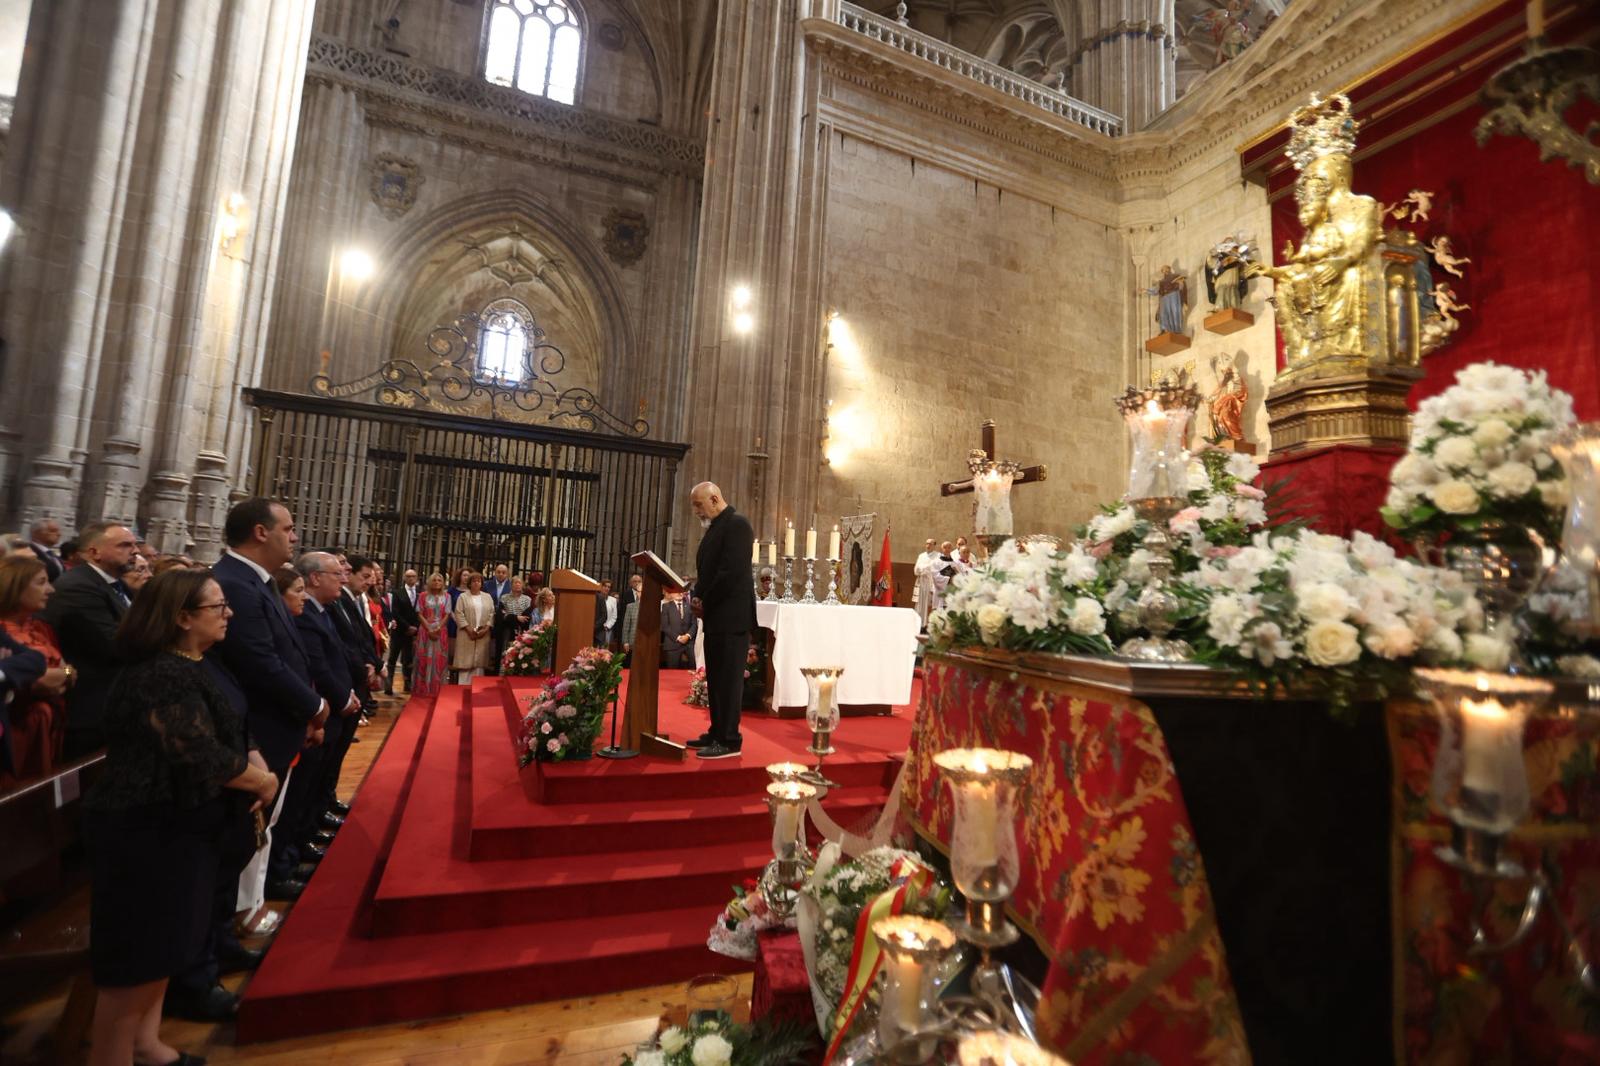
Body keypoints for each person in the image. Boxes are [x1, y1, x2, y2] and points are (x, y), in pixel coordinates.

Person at [84, 568, 278, 1066]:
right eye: (218, 607)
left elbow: (226, 731)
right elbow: (193, 751)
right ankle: (111, 1055)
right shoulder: (160, 673)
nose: (228, 613)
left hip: (182, 827)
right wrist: (260, 781)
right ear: (182, 617)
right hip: (150, 831)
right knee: (137, 956)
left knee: (165, 946)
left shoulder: (192, 663)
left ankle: (146, 1044)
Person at [210, 500, 328, 913]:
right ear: (261, 532)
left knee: (263, 826)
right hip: (258, 725)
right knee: (245, 833)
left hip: (278, 722)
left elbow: (287, 653)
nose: (294, 537)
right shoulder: (236, 583)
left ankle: (249, 906)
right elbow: (260, 661)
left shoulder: (258, 581)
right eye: (288, 528)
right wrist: (314, 705)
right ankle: (236, 916)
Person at [41, 521, 138, 758]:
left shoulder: (114, 584)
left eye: (134, 545)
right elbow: (114, 645)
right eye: (125, 545)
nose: (134, 551)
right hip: (89, 708)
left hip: (113, 702)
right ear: (95, 552)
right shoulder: (79, 586)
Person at [686, 482, 756, 760]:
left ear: (714, 499)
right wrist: (697, 596)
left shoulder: (737, 525)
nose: (696, 511)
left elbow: (730, 573)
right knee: (715, 678)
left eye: (698, 505)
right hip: (717, 616)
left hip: (732, 617)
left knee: (728, 681)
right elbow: (708, 571)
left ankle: (729, 740)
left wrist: (705, 600)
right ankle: (716, 732)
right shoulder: (716, 527)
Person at [0, 557, 72, 781]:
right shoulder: (4, 631)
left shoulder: (40, 628)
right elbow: (41, 682)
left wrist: (64, 673)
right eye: (41, 582)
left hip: (49, 728)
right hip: (17, 732)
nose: (50, 590)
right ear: (14, 586)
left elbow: (66, 672)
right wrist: (60, 674)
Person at [412, 573, 451, 697]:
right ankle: (422, 688)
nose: (437, 582)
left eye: (439, 580)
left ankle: (437, 689)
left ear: (443, 582)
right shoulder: (423, 596)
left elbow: (447, 614)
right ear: (429, 582)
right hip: (425, 630)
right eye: (434, 580)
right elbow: (419, 613)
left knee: (438, 659)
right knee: (423, 658)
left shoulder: (447, 596)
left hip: (441, 631)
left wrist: (438, 627)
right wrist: (429, 628)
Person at [452, 571, 495, 681]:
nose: (476, 583)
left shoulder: (487, 597)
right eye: (474, 581)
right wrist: (468, 629)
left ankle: (477, 687)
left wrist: (486, 629)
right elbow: (458, 613)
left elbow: (492, 613)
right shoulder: (463, 597)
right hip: (466, 633)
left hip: (483, 634)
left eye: (478, 581)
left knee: (479, 665)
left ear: (481, 583)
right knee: (465, 663)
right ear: (469, 583)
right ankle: (463, 686)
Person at [386, 567, 420, 694]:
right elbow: (395, 612)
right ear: (404, 578)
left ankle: (408, 683)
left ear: (416, 578)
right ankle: (388, 684)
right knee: (392, 658)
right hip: (400, 631)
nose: (411, 578)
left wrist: (415, 627)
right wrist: (407, 626)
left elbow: (420, 612)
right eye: (408, 576)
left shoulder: (420, 594)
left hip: (413, 632)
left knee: (408, 659)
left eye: (413, 576)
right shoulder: (397, 593)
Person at [659, 586, 696, 669]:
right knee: (672, 671)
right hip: (672, 643)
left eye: (681, 591)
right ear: (671, 594)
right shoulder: (666, 606)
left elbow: (694, 624)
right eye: (676, 591)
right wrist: (678, 638)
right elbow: (665, 626)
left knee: (694, 668)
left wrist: (687, 636)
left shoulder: (690, 606)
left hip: (689, 643)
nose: (679, 593)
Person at [912, 539, 940, 630]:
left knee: (929, 604)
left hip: (930, 582)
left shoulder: (938, 556)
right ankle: (918, 625)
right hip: (921, 582)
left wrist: (923, 569)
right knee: (919, 604)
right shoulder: (921, 555)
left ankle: (927, 625)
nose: (928, 545)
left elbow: (933, 568)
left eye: (930, 544)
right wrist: (924, 569)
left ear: (934, 545)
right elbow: (916, 570)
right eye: (926, 543)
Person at [498, 575, 532, 648]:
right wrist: (516, 618)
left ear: (522, 585)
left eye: (519, 583)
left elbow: (527, 616)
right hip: (508, 629)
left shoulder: (527, 599)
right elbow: (503, 616)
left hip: (522, 629)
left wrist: (511, 617)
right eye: (515, 582)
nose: (517, 584)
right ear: (511, 585)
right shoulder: (504, 598)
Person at [594, 578, 617, 647]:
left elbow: (614, 616)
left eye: (609, 587)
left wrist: (607, 626)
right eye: (605, 586)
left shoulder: (613, 600)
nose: (607, 588)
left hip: (607, 628)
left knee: (604, 649)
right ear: (601, 586)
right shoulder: (595, 597)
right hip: (596, 628)